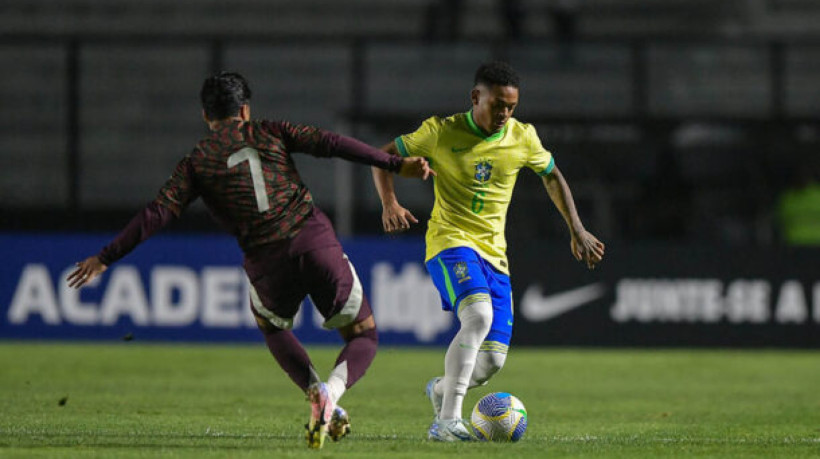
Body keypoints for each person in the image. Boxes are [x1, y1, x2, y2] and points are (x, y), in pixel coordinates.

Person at [67, 71, 434, 449]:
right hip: (313, 241)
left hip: (266, 261)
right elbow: (332, 143)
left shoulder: (197, 161)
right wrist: (393, 165)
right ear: (245, 109)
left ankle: (313, 392)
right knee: (364, 334)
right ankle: (332, 394)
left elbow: (157, 213)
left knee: (272, 326)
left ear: (205, 115)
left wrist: (106, 256)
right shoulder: (271, 131)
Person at [371, 61, 604, 441]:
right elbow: (381, 157)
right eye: (498, 105)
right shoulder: (441, 132)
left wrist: (577, 229)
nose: (505, 114)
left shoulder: (522, 136)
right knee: (477, 316)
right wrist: (390, 203)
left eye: (511, 107)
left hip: (496, 255)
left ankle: (442, 389)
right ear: (475, 97)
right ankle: (446, 422)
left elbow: (552, 175)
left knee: (491, 361)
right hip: (450, 241)